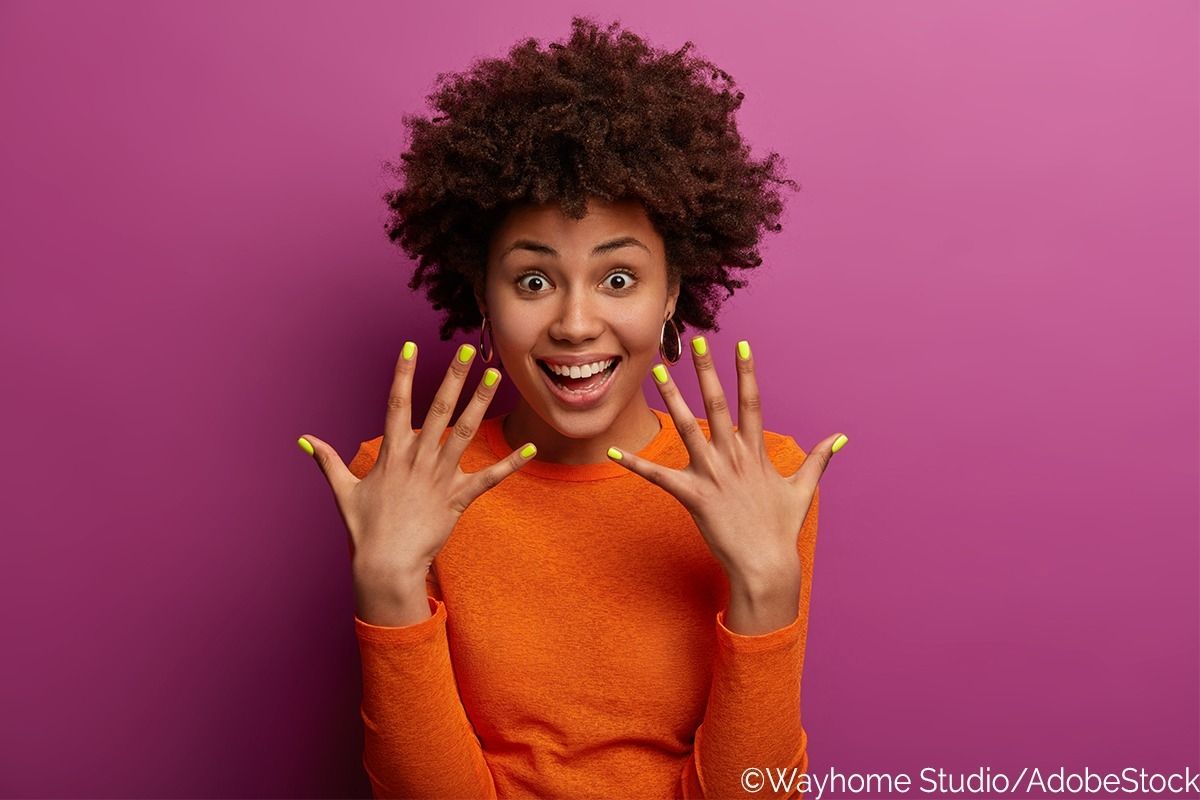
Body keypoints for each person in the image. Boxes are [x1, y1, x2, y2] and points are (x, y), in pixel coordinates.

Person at [297, 16, 848, 799]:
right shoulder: (406, 483)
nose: (576, 323)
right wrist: (387, 584)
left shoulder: (764, 482)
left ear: (672, 294)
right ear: (482, 298)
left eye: (618, 279)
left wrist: (766, 589)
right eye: (532, 280)